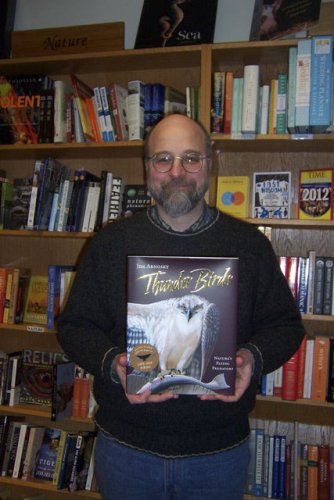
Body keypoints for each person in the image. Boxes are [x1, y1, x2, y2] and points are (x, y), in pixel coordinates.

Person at [57, 114, 305, 499]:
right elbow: (75, 326)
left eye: (191, 158)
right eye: (163, 159)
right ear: (148, 166)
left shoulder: (249, 245)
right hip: (126, 450)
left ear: (210, 161)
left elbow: (286, 326)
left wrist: (250, 360)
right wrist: (113, 365)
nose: (177, 171)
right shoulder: (111, 243)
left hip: (218, 454)